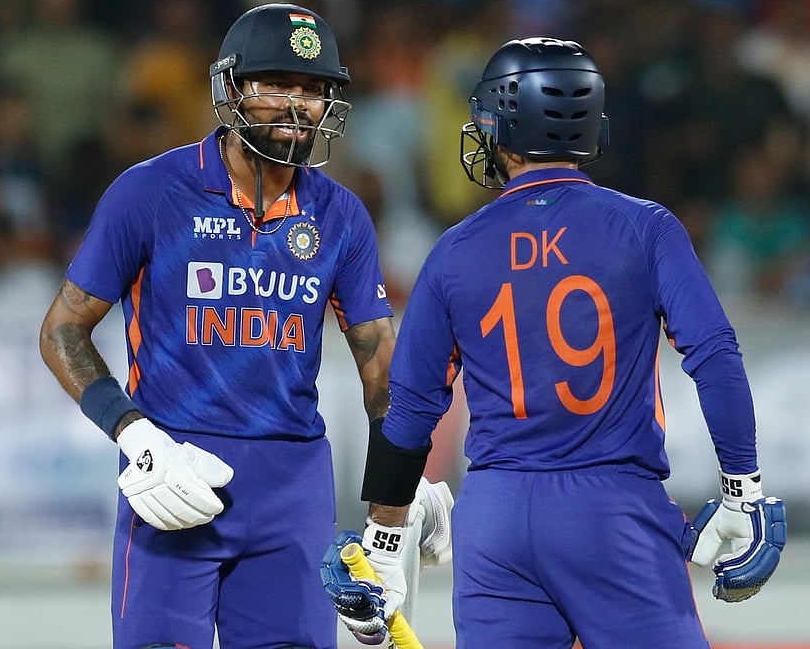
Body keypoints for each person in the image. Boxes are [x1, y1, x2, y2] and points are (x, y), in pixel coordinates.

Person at [336, 37, 786, 648]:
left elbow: (411, 408)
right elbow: (714, 356)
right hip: (612, 507)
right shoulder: (644, 227)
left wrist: (383, 540)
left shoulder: (455, 250)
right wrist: (743, 488)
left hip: (495, 515)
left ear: (502, 124)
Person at [39, 2, 400, 649]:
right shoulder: (150, 192)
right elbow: (62, 331)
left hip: (295, 488)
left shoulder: (341, 216)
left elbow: (385, 374)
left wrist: (393, 517)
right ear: (230, 89)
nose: (297, 105)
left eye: (314, 89)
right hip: (174, 467)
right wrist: (134, 436)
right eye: (277, 85)